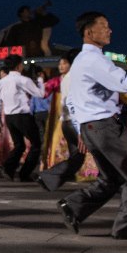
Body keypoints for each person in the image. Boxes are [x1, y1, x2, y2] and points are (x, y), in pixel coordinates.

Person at [57, 12, 127, 239]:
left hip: (91, 128)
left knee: (111, 178)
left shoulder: (80, 61)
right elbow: (126, 84)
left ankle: (73, 206)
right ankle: (124, 228)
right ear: (89, 32)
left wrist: (81, 129)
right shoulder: (94, 59)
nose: (109, 30)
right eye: (104, 26)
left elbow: (71, 100)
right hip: (106, 127)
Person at [37, 48, 97, 191]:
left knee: (77, 156)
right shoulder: (76, 77)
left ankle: (49, 177)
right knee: (95, 150)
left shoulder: (66, 79)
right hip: (75, 122)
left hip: (67, 122)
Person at [0, 54, 43, 182]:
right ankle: (24, 173)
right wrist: (41, 81)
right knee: (36, 144)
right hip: (23, 116)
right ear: (19, 66)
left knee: (19, 145)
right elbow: (40, 94)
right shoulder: (23, 80)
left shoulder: (2, 82)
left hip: (9, 117)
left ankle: (8, 168)